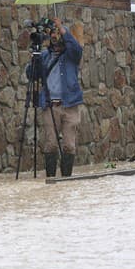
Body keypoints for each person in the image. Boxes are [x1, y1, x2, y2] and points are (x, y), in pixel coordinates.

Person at [30, 17, 83, 177]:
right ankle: (51, 180)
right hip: (50, 106)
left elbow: (76, 48)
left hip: (70, 105)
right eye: (52, 34)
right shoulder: (45, 56)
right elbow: (31, 75)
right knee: (51, 144)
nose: (55, 37)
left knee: (69, 145)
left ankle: (66, 179)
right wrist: (33, 59)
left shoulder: (72, 55)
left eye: (57, 34)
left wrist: (62, 28)